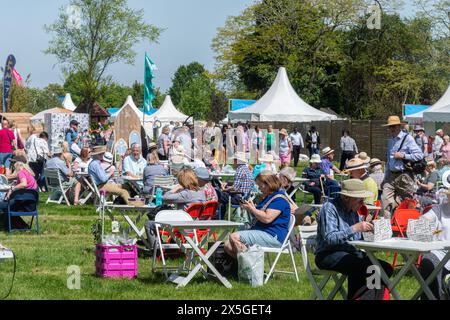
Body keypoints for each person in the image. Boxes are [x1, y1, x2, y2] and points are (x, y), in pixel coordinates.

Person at [315, 179, 393, 300]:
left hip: (350, 252)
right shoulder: (329, 208)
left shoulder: (353, 211)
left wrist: (368, 231)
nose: (362, 203)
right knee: (367, 269)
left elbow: (356, 238)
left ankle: (365, 297)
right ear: (346, 198)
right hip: (328, 253)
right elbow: (330, 239)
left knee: (385, 268)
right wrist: (355, 229)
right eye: (360, 200)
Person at [224, 171, 291, 258]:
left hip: (273, 235)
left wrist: (252, 209)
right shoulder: (268, 197)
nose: (259, 189)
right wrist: (251, 209)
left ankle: (249, 267)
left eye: (261, 186)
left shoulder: (279, 199)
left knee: (234, 237)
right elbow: (260, 216)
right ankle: (247, 267)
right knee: (227, 245)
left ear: (269, 184)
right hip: (263, 231)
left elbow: (267, 218)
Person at [381, 116, 423, 219]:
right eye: (390, 126)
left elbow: (419, 155)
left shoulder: (407, 138)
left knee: (410, 202)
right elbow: (389, 161)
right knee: (385, 200)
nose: (392, 128)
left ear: (399, 126)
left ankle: (413, 225)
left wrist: (403, 155)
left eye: (394, 126)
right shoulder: (390, 140)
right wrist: (385, 177)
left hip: (404, 175)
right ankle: (387, 227)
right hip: (391, 175)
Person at [418, 193, 450, 300]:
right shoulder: (439, 209)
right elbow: (422, 221)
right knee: (428, 262)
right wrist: (426, 224)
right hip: (439, 254)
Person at [216, 152, 255, 219]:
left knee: (217, 193)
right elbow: (241, 183)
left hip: (238, 198)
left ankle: (218, 217)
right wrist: (228, 183)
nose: (232, 162)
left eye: (234, 160)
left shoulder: (240, 170)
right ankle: (220, 216)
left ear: (237, 161)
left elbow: (235, 188)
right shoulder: (246, 169)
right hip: (245, 197)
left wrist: (224, 189)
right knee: (222, 196)